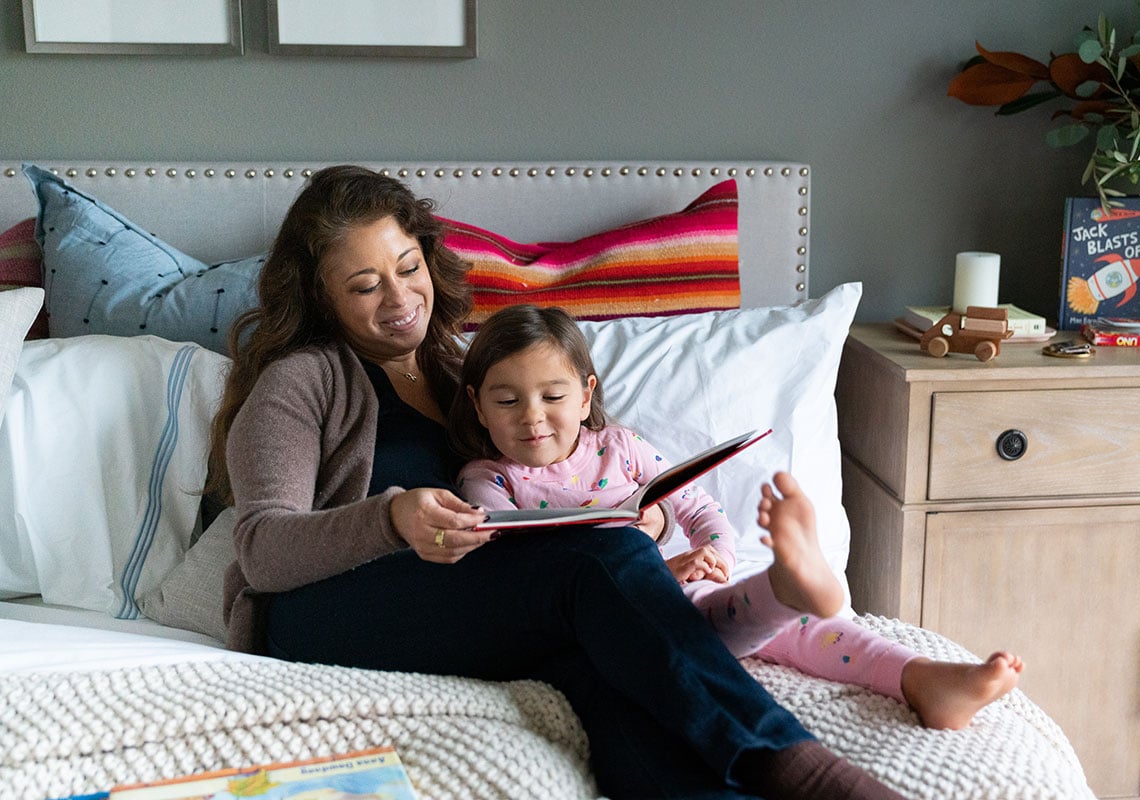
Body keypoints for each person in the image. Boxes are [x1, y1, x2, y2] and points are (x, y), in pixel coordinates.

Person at [206, 165, 905, 800]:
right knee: (595, 569)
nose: (398, 298)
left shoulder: (464, 374)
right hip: (325, 613)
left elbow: (572, 473)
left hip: (468, 600)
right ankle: (804, 771)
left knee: (605, 663)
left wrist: (652, 519)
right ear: (320, 297)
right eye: (364, 286)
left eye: (408, 267)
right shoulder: (300, 381)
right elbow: (263, 550)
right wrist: (391, 519)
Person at [449, 304, 1024, 732]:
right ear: (477, 404)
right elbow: (522, 574)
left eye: (552, 397)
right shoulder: (488, 481)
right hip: (609, 616)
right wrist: (662, 571)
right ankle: (782, 588)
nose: (532, 418)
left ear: (584, 394)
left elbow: (700, 507)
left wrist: (716, 554)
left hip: (683, 589)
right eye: (507, 401)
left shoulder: (620, 448)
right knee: (707, 620)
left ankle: (922, 677)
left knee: (807, 630)